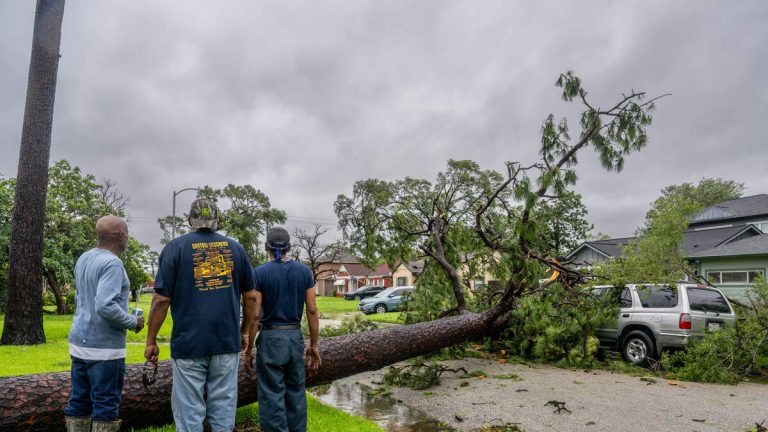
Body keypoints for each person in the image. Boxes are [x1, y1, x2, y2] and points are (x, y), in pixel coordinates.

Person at [144, 199, 257, 432]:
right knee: (224, 409)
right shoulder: (236, 249)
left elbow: (161, 300)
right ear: (218, 220)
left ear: (189, 220)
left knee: (188, 412)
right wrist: (244, 331)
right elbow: (252, 298)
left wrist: (151, 339)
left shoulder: (174, 248)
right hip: (226, 341)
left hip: (188, 343)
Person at [65, 215, 145, 432]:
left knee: (79, 400)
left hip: (79, 343)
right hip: (104, 349)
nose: (127, 237)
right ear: (121, 235)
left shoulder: (84, 258)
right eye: (127, 233)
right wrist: (132, 321)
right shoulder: (112, 263)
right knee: (106, 405)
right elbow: (104, 306)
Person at [245, 226, 321, 432]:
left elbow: (255, 315)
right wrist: (314, 345)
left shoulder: (259, 273)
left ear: (266, 247)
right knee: (296, 393)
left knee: (271, 396)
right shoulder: (304, 272)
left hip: (270, 338)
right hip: (295, 338)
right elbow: (312, 310)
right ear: (289, 247)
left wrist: (249, 348)